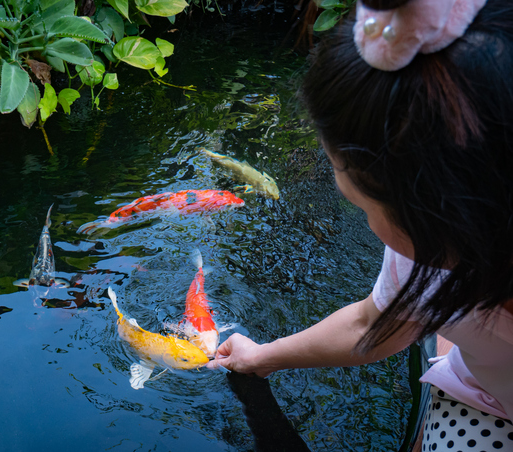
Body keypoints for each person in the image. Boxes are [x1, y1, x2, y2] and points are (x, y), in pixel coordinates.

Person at [207, 0, 513, 450]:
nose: (369, 227)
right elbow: (371, 323)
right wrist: (263, 357)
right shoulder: (422, 256)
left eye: (366, 209)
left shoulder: (425, 247)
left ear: (445, 216)